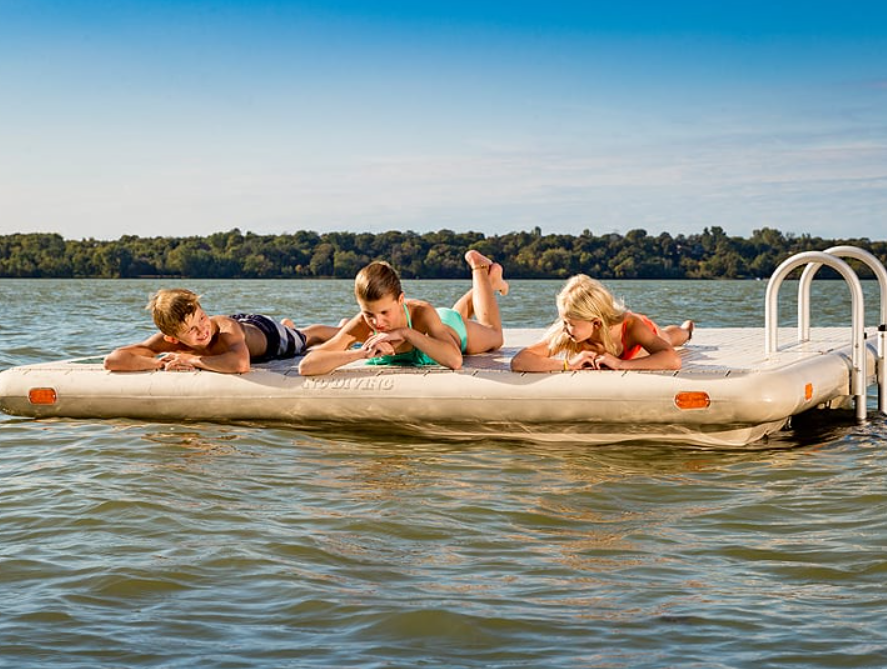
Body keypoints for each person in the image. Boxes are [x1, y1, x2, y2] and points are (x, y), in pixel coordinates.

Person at [298, 250, 508, 376]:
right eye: (369, 313)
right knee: (460, 312)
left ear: (400, 300)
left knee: (494, 336)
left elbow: (454, 361)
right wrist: (362, 353)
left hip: (449, 328)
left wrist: (405, 333)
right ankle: (489, 282)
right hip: (435, 327)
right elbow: (306, 366)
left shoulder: (421, 311)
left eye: (384, 312)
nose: (377, 322)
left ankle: (479, 268)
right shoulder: (363, 323)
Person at [104, 288, 340, 373]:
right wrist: (159, 364)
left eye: (202, 318)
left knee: (307, 338)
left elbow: (240, 365)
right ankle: (289, 324)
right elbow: (113, 360)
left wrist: (190, 359)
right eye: (191, 330)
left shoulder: (223, 329)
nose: (202, 330)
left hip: (267, 335)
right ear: (172, 338)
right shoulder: (169, 343)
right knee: (296, 331)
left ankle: (341, 328)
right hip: (245, 329)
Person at [510, 274, 693, 372]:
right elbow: (519, 361)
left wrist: (620, 365)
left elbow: (672, 359)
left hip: (642, 334)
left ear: (596, 323)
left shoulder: (632, 326)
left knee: (670, 338)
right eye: (564, 321)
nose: (565, 329)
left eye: (570, 323)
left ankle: (686, 330)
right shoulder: (569, 333)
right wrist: (568, 365)